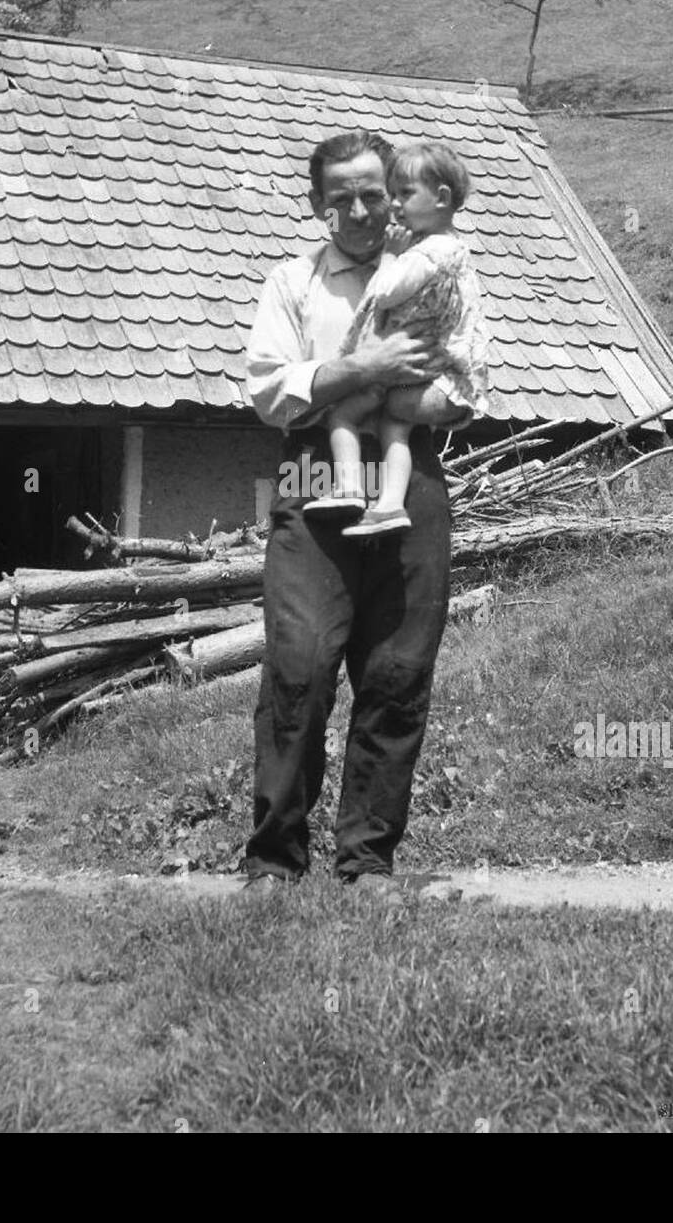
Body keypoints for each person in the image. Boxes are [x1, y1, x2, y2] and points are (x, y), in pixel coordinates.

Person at [243, 130, 466, 890]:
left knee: (397, 670)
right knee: (299, 665)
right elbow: (268, 391)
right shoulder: (292, 282)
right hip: (313, 481)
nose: (363, 211)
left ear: (396, 193)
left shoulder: (438, 268)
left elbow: (475, 376)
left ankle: (367, 858)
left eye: (376, 193)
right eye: (343, 199)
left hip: (412, 478)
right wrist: (357, 369)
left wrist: (435, 399)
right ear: (318, 206)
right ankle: (274, 858)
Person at [306, 142, 489, 536]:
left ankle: (350, 486)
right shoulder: (450, 248)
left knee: (344, 412)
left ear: (441, 198)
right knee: (395, 423)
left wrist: (390, 254)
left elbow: (387, 291)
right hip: (447, 380)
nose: (395, 204)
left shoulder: (429, 254)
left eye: (405, 193)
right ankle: (389, 505)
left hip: (437, 382)